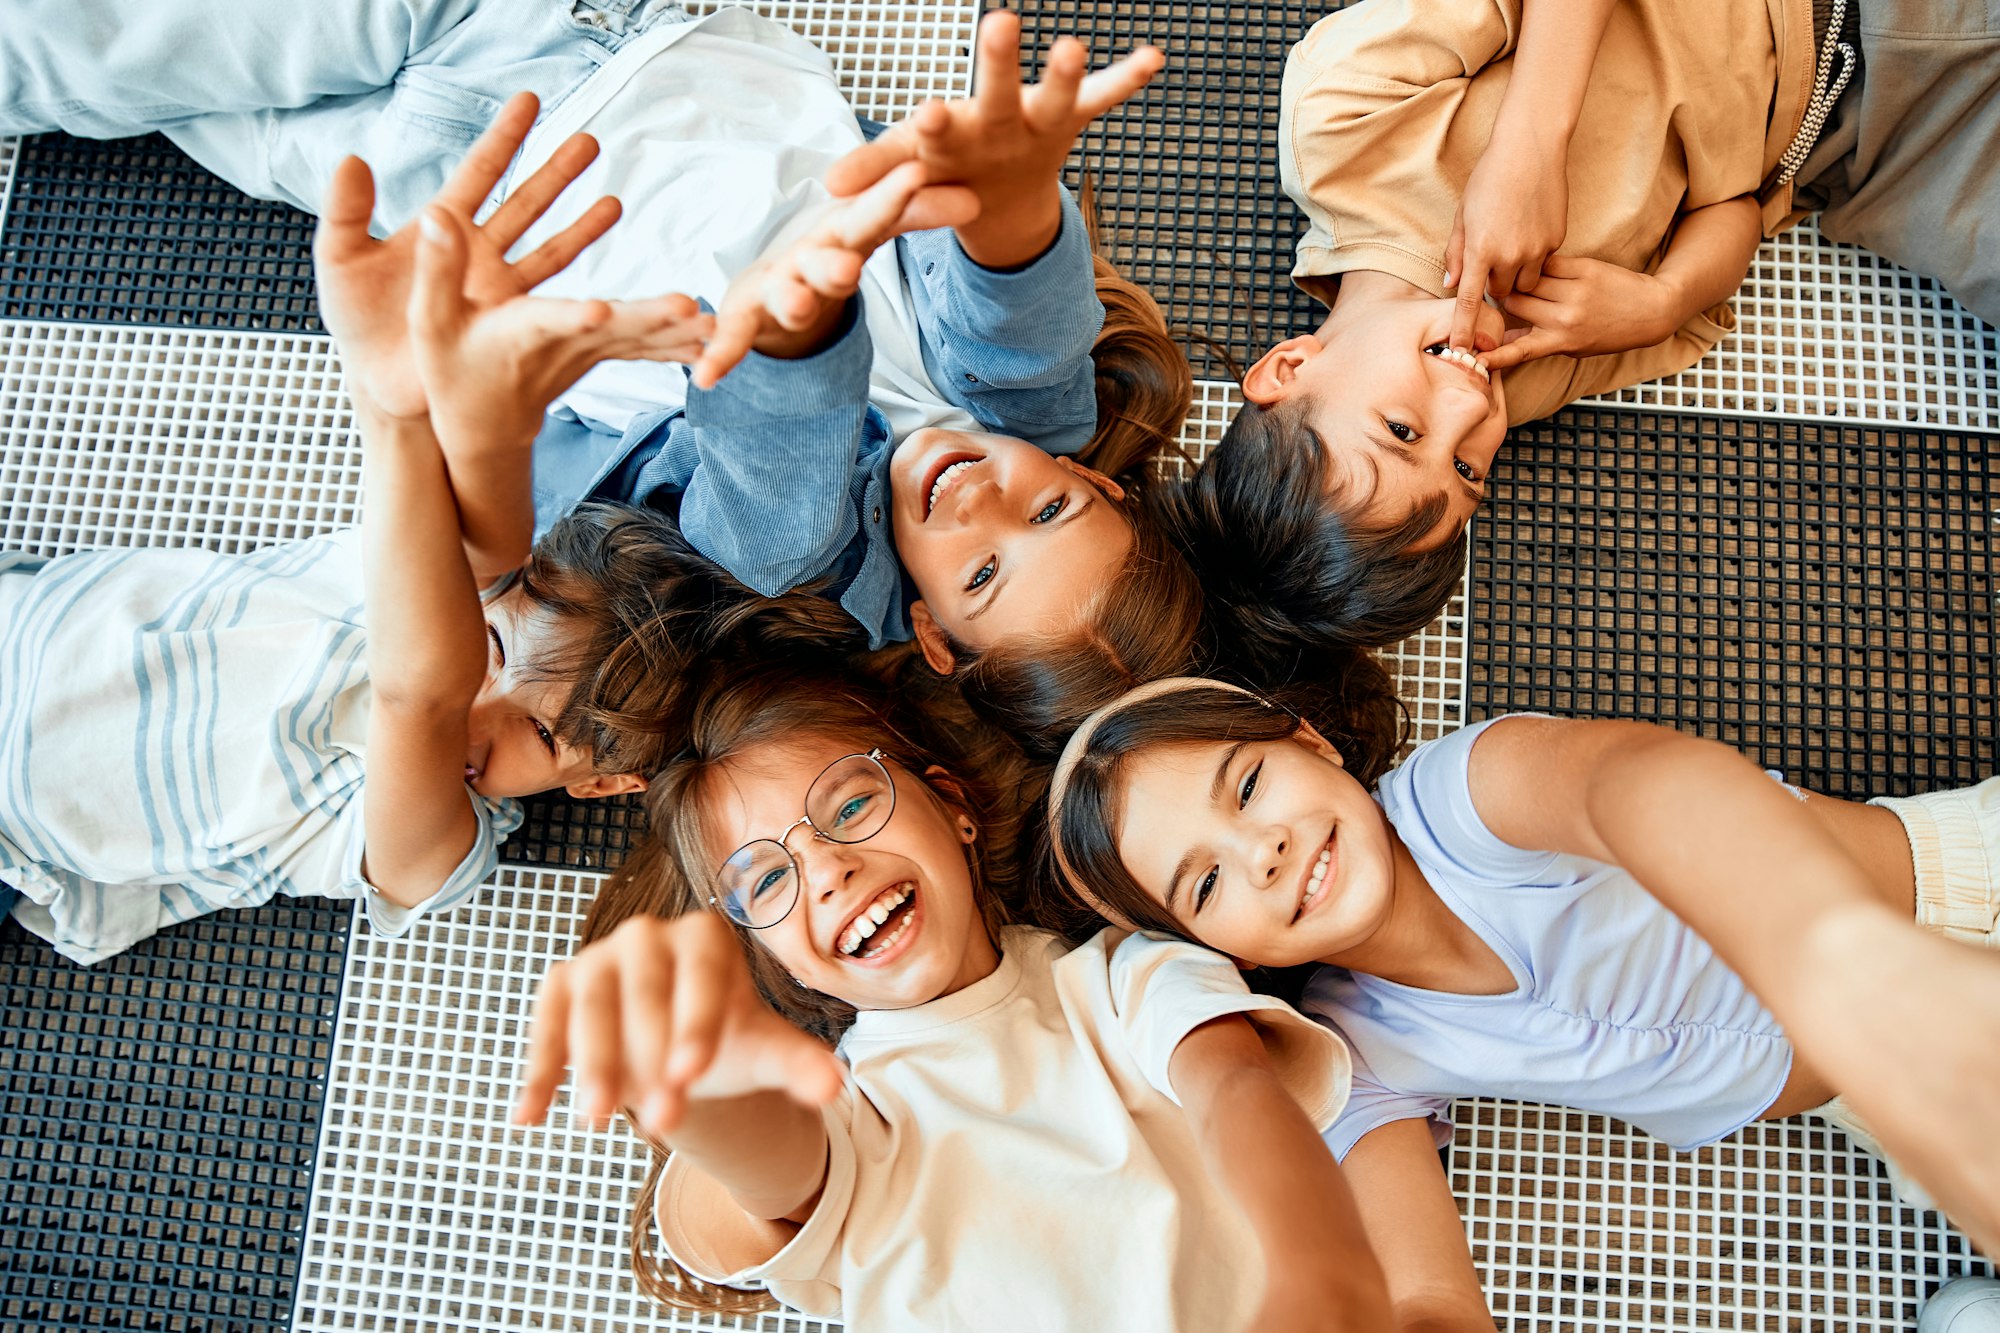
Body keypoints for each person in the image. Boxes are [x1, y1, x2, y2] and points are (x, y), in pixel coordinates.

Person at [1, 5, 1205, 750]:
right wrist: (1011, 192)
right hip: (586, 43)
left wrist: (791, 330)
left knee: (79, 65)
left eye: (984, 571)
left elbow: (768, 490)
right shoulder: (1022, 417)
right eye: (1049, 504)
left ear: (937, 637)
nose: (978, 500)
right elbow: (1022, 316)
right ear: (1091, 482)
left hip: (438, 196)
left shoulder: (826, 575)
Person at [0, 108, 808, 963]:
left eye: (538, 734)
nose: (474, 708)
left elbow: (418, 695)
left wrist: (388, 408)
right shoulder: (436, 575)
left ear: (603, 781)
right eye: (492, 648)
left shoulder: (443, 843)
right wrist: (442, 389)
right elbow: (481, 546)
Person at [1044, 676, 2000, 1322]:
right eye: (1206, 885)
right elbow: (1433, 1294)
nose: (1263, 850)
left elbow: (1642, 786)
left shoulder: (1466, 800)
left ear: (1312, 741)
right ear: (1220, 954)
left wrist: (1851, 964)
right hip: (1872, 1106)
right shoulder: (1352, 1049)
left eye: (1247, 785)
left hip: (1940, 898)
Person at [511, 667, 1393, 1331]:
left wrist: (1318, 1268)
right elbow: (770, 1180)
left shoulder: (1123, 979)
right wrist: (702, 1082)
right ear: (782, 967)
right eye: (769, 880)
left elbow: (1237, 1090)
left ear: (953, 806)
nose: (825, 871)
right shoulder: (852, 1118)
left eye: (851, 806)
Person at [1178, 0, 2000, 665]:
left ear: (1288, 367)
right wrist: (1662, 302)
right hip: (1862, 140)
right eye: (1467, 468)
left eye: (1403, 432)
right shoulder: (1527, 374)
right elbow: (1735, 210)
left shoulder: (1345, 126)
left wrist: (1529, 148)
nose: (1470, 412)